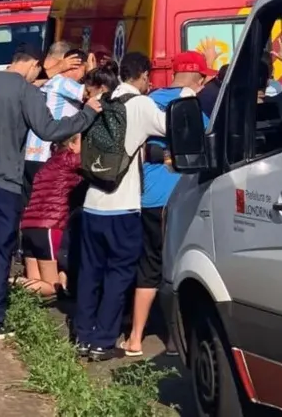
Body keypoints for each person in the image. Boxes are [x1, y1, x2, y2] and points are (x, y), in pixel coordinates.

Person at [0, 44, 101, 340]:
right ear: (33, 65)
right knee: (0, 247)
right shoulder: (25, 91)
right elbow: (50, 131)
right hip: (4, 182)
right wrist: (87, 115)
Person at [74, 51, 169, 361]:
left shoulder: (104, 99)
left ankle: (83, 336)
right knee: (118, 275)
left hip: (92, 204)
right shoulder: (140, 104)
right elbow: (172, 128)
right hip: (123, 207)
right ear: (142, 76)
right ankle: (103, 341)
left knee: (90, 272)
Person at [121, 51, 214, 357]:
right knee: (175, 268)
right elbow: (205, 147)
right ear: (199, 79)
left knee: (147, 266)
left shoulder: (146, 101)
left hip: (143, 197)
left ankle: (135, 337)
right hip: (174, 200)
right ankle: (175, 339)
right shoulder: (190, 109)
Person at [16, 134, 86, 297]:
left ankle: (4, 283)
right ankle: (4, 282)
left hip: (28, 225)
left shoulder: (49, 163)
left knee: (35, 285)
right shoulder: (72, 160)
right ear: (71, 145)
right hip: (49, 226)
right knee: (53, 288)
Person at [23, 48, 88, 203]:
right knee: (49, 205)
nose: (83, 77)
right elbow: (92, 94)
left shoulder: (46, 82)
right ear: (76, 66)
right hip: (48, 155)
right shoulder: (64, 83)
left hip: (30, 154)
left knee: (31, 205)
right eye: (84, 71)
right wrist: (94, 71)